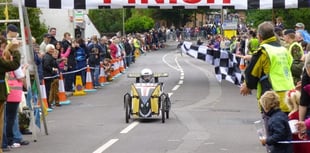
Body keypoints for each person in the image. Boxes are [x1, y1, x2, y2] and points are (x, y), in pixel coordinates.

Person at [240, 21, 295, 114]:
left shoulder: (263, 51)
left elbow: (252, 73)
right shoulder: (284, 50)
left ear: (260, 36)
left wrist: (248, 85)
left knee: (274, 126)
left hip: (272, 98)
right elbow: (289, 67)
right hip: (290, 95)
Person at [0, 38, 21, 153]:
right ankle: (3, 144)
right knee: (5, 119)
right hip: (4, 93)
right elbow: (14, 65)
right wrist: (15, 50)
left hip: (6, 92)